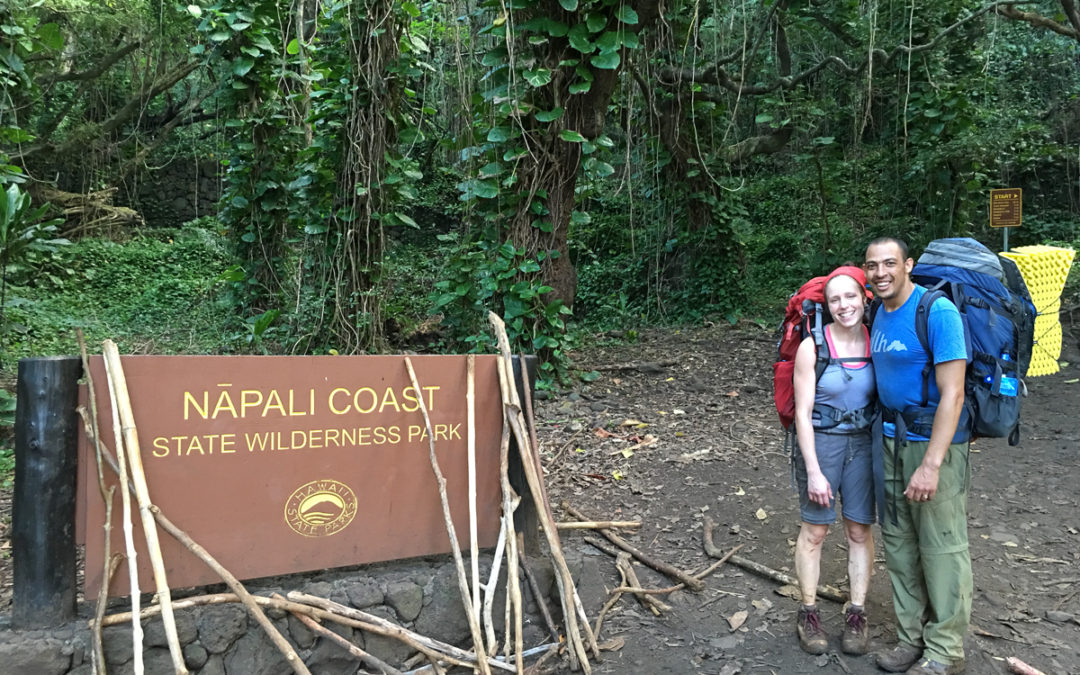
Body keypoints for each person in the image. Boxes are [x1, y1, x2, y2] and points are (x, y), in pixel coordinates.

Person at [864, 237, 971, 675]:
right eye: (872, 266)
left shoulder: (937, 311)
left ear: (908, 265)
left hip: (932, 445)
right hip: (887, 440)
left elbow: (954, 392)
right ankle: (912, 639)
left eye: (890, 263)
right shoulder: (878, 313)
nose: (881, 273)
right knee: (900, 543)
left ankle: (945, 650)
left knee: (942, 546)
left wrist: (931, 464)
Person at [792, 265, 877, 657]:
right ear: (826, 306)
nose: (844, 305)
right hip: (821, 445)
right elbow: (802, 413)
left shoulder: (877, 341)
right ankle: (808, 612)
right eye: (835, 299)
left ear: (865, 297)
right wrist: (813, 471)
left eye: (851, 296)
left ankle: (856, 613)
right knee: (815, 532)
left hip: (863, 444)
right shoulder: (813, 346)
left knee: (859, 531)